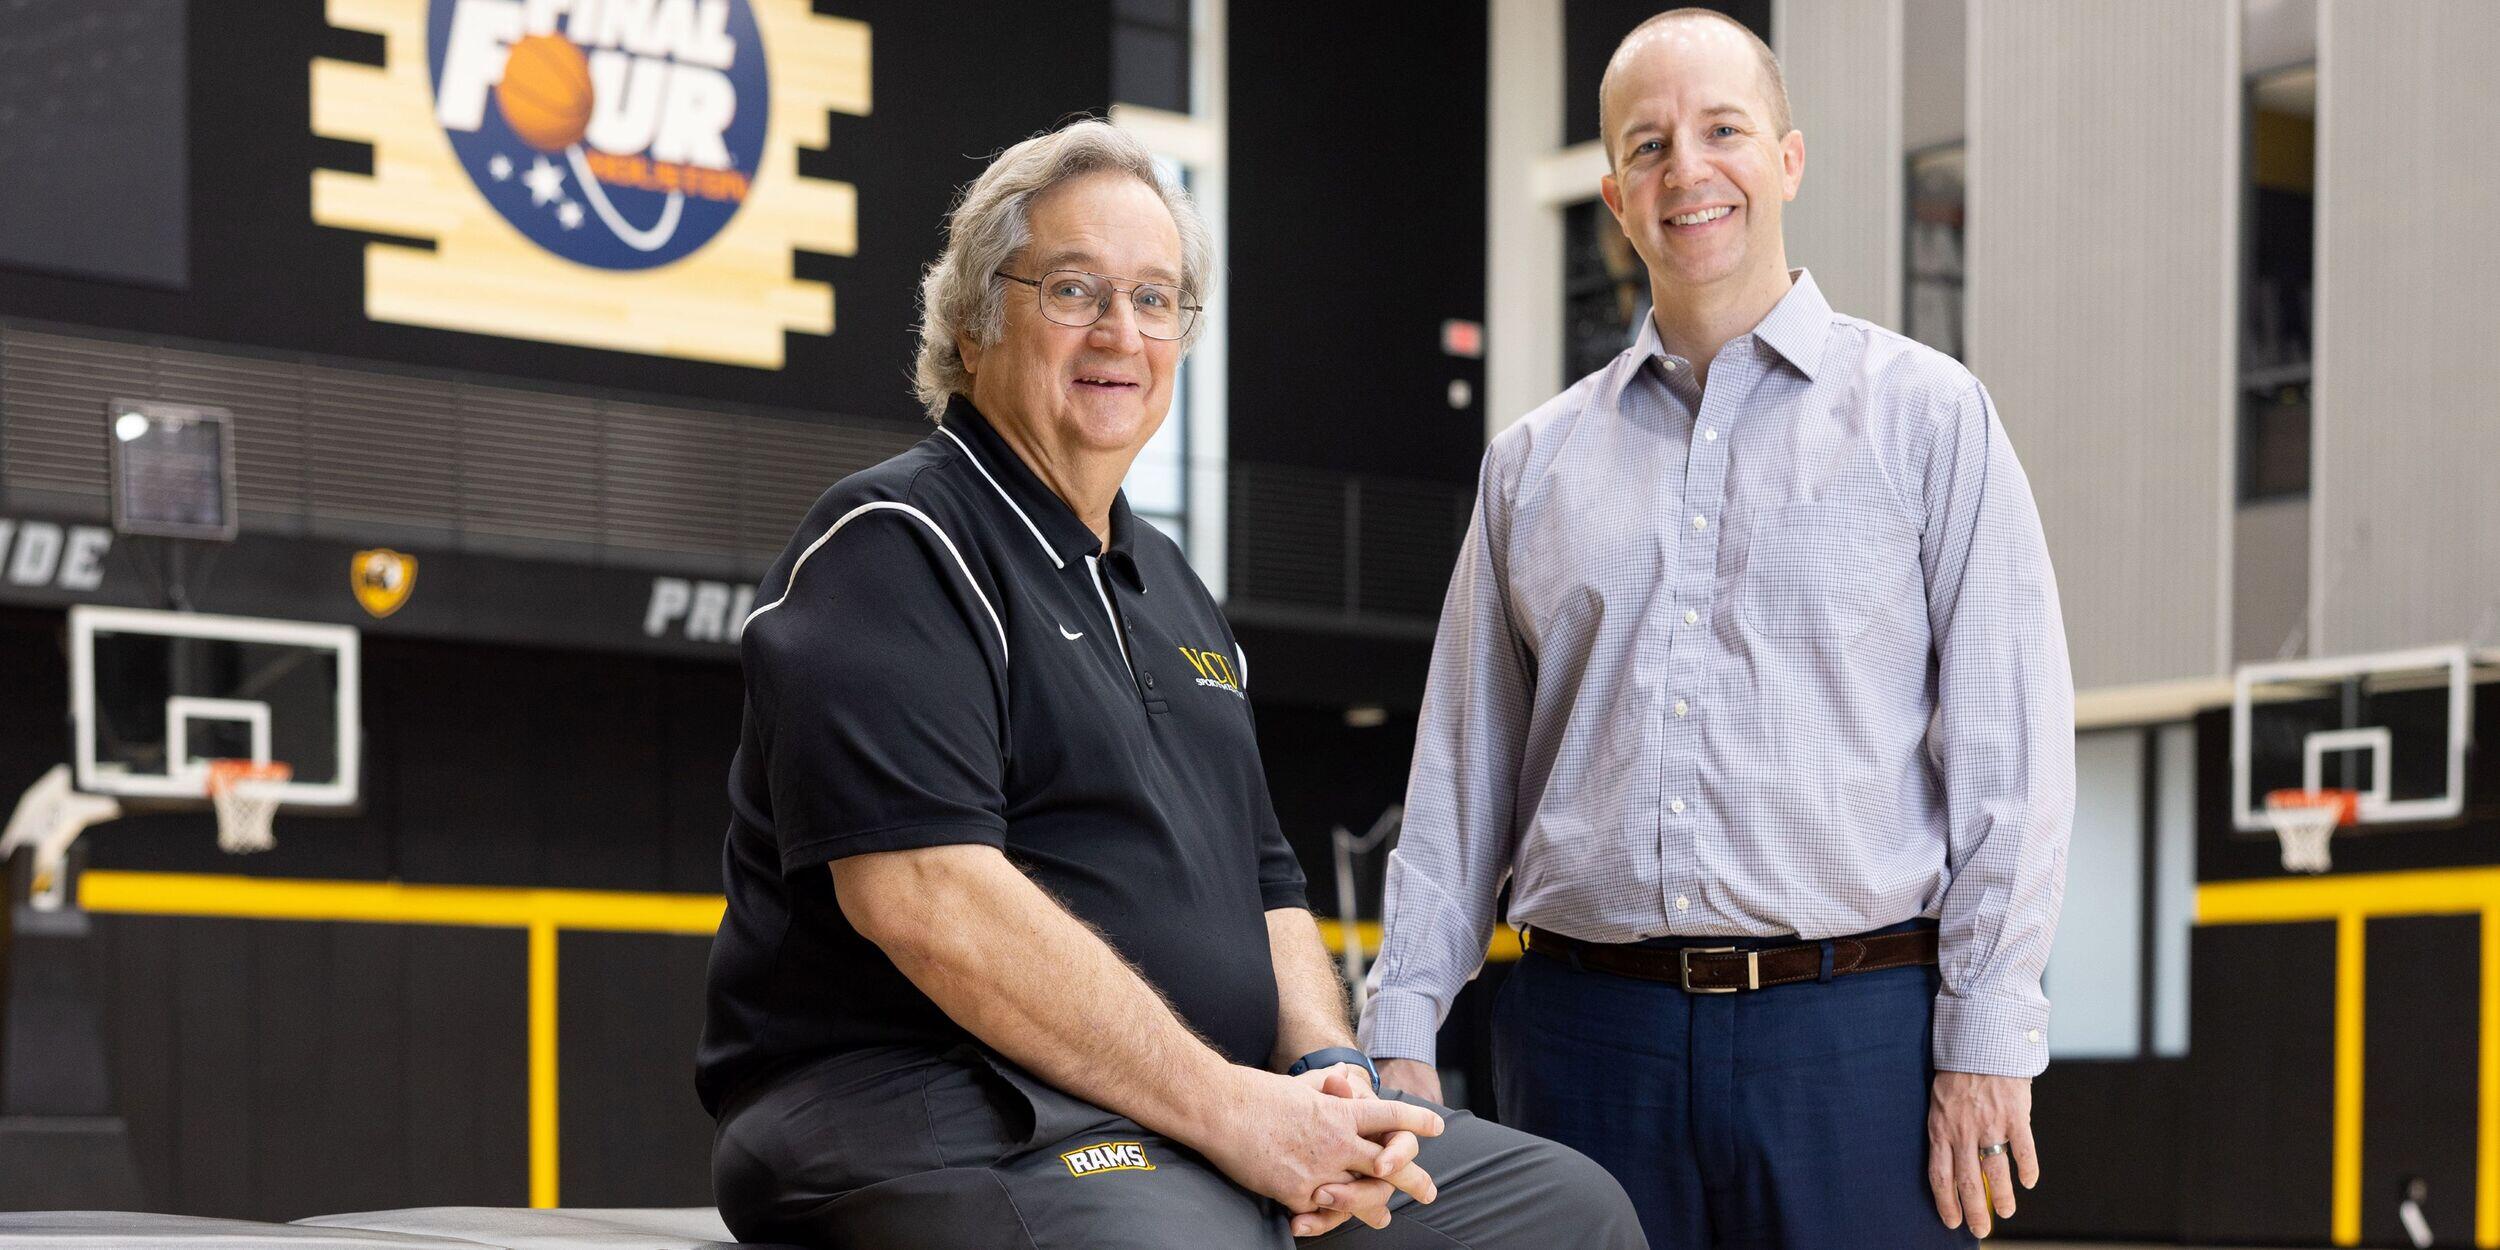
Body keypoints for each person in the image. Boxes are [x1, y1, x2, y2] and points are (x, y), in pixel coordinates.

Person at [696, 119, 1644, 1250]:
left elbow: (1268, 880)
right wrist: (1234, 1110)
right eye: (1073, 289)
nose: (1120, 332)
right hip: (932, 1100)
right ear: (971, 315)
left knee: (1565, 1211)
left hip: (1188, 1107)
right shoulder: (892, 544)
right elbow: (928, 900)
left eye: (1155, 299)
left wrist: (1324, 1069)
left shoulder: (1174, 592)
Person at [1360, 11, 2075, 1249]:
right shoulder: (1531, 467)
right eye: (1648, 145)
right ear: (1614, 197)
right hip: (1586, 1044)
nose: (1687, 168)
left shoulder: (1929, 421)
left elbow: (2013, 759)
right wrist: (1398, 1031)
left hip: (1855, 1042)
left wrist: (1987, 1038)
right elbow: (1458, 781)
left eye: (1722, 130)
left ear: (1787, 159)